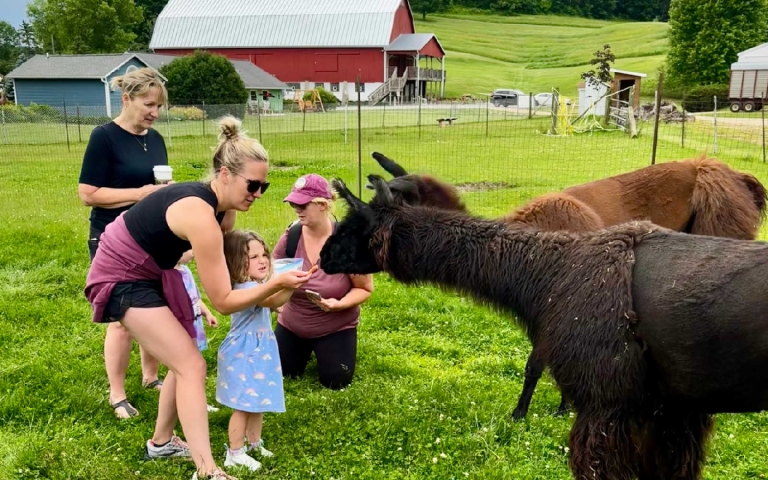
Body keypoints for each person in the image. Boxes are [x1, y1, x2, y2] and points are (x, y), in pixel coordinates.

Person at [84, 116, 313, 480]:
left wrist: (268, 280)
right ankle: (207, 471)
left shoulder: (224, 216)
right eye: (252, 185)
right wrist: (272, 285)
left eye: (264, 187)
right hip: (121, 275)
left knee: (184, 355)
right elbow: (223, 300)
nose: (256, 194)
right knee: (191, 365)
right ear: (224, 174)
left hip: (155, 269)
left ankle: (161, 443)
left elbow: (226, 275)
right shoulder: (201, 215)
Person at [77, 67, 169, 419]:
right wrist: (140, 193)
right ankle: (117, 395)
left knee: (155, 308)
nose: (154, 113)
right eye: (148, 104)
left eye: (158, 106)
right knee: (122, 317)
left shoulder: (155, 138)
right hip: (112, 239)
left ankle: (150, 377)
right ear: (126, 98)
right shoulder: (104, 138)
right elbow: (88, 194)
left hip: (151, 236)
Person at [272, 174, 374, 390]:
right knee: (283, 373)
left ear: (322, 205)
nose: (296, 209)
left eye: (301, 204)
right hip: (293, 322)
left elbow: (364, 289)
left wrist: (339, 305)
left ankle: (326, 348)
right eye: (292, 203)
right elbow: (271, 275)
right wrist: (277, 301)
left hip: (335, 325)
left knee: (336, 380)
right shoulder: (291, 237)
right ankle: (301, 347)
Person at [216, 229, 291, 472]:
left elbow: (268, 303)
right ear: (237, 262)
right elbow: (271, 300)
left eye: (264, 255)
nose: (262, 260)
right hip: (244, 352)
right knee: (243, 405)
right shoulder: (244, 288)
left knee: (257, 399)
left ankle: (254, 442)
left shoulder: (256, 285)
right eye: (254, 256)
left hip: (259, 350)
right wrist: (292, 284)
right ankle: (234, 452)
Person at [176, 249, 220, 413]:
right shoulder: (170, 275)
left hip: (195, 325)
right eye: (188, 248)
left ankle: (196, 401)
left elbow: (196, 298)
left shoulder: (186, 271)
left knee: (196, 365)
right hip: (183, 329)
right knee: (190, 367)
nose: (194, 252)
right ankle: (191, 403)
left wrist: (207, 313)